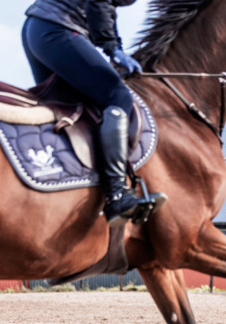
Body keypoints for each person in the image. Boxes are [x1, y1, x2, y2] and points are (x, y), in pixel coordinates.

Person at [22, 0, 167, 226]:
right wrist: (112, 48)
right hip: (60, 28)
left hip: (40, 28)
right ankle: (117, 194)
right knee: (118, 95)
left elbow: (106, 6)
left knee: (72, 105)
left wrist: (114, 45)